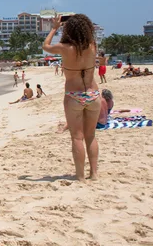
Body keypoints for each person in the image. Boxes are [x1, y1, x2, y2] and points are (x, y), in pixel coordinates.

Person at [43, 14, 100, 182]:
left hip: (74, 96)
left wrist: (54, 28)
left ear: (68, 30)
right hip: (93, 94)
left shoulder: (64, 48)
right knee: (91, 136)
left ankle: (80, 176)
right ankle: (94, 174)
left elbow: (45, 45)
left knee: (77, 137)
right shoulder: (92, 46)